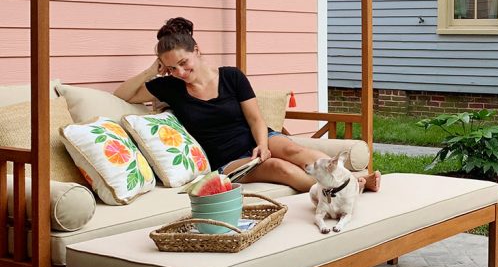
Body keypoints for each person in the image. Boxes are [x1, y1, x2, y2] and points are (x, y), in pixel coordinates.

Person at [114, 17, 381, 193]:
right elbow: (123, 94)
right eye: (172, 68)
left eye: (184, 63)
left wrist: (263, 146)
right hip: (226, 160)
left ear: (197, 51)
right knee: (280, 168)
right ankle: (347, 190)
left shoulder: (231, 76)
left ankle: (347, 179)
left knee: (290, 148)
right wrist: (153, 68)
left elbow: (255, 119)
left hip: (255, 138)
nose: (181, 72)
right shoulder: (169, 87)